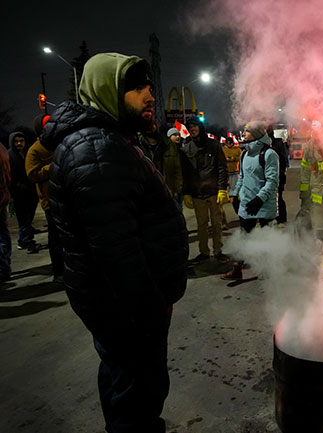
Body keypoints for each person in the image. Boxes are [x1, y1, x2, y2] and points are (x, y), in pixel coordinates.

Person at [41, 53, 188, 433]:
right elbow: (117, 252)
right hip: (129, 313)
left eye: (150, 85)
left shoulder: (108, 141)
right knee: (137, 398)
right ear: (108, 92)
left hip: (121, 309)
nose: (150, 95)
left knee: (123, 385)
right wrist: (153, 308)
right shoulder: (97, 149)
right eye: (137, 88)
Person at [221, 121, 279, 280]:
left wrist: (259, 199)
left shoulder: (269, 154)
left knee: (266, 238)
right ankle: (237, 269)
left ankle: (268, 268)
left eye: (247, 131)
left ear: (256, 134)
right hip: (247, 203)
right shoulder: (244, 153)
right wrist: (235, 193)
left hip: (264, 204)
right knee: (244, 236)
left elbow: (272, 181)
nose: (244, 134)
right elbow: (242, 176)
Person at [180, 116, 229, 263]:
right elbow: (185, 173)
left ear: (200, 127)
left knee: (216, 224)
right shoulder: (186, 149)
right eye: (190, 128)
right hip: (197, 194)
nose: (192, 129)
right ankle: (204, 252)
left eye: (194, 126)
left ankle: (218, 250)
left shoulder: (213, 145)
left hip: (214, 192)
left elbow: (222, 168)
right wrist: (187, 192)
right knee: (201, 225)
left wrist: (222, 189)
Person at [25, 114, 64, 282]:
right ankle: (59, 273)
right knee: (56, 239)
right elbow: (32, 174)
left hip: (65, 197)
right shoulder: (34, 149)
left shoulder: (59, 143)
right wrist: (53, 166)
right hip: (50, 201)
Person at [297, 121, 323, 242]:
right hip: (316, 193)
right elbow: (305, 172)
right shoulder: (308, 147)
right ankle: (321, 247)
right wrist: (304, 194)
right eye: (314, 131)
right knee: (318, 222)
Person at [7, 131, 40, 253]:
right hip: (18, 193)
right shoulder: (10, 156)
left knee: (28, 217)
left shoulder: (28, 153)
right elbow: (9, 177)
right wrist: (11, 194)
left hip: (31, 191)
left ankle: (24, 239)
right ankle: (26, 241)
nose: (19, 143)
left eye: (21, 141)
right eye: (16, 141)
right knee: (23, 218)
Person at [139, 124, 184, 202]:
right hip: (148, 195)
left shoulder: (168, 146)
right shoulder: (138, 146)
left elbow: (177, 170)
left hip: (169, 191)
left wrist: (177, 190)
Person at [267, 124, 289, 226]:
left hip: (278, 174)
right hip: (267, 175)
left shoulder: (278, 143)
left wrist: (282, 173)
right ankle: (270, 218)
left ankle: (281, 219)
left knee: (278, 196)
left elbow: (283, 160)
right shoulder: (262, 144)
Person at [222, 135, 242, 220]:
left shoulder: (237, 149)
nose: (229, 145)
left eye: (230, 144)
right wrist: (225, 159)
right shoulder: (223, 150)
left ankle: (235, 198)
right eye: (227, 144)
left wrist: (234, 158)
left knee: (234, 191)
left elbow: (241, 157)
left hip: (235, 172)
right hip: (225, 172)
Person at [0, 139, 11, 281]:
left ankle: (3, 266)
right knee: (3, 231)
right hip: (3, 195)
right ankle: (5, 264)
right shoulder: (2, 149)